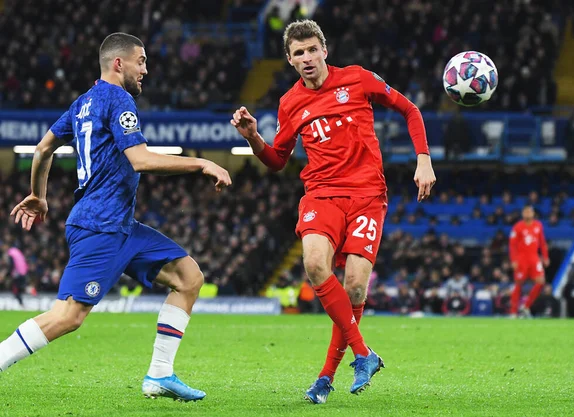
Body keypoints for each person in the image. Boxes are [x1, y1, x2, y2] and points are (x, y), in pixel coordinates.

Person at [0, 33, 232, 402]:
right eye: (140, 61)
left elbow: (44, 147)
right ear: (118, 63)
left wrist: (39, 196)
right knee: (68, 316)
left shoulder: (81, 104)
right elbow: (139, 160)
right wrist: (201, 162)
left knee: (188, 277)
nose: (145, 70)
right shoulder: (118, 98)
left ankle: (160, 375)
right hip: (99, 225)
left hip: (120, 226)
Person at [230, 20, 436, 403]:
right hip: (322, 195)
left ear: (325, 50)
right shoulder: (290, 103)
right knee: (314, 264)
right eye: (298, 53)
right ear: (290, 61)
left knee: (355, 285)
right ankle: (363, 354)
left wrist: (423, 160)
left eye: (312, 50)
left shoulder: (357, 79)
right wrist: (253, 138)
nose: (306, 58)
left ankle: (326, 377)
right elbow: (277, 160)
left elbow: (410, 110)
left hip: (367, 195)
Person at [509, 205, 549, 318]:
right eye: (525, 212)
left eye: (529, 212)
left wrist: (545, 256)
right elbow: (512, 245)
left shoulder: (538, 225)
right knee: (518, 284)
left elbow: (542, 242)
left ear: (533, 214)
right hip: (522, 259)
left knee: (541, 282)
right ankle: (513, 312)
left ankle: (526, 307)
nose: (527, 214)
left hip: (534, 258)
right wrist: (514, 259)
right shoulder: (517, 227)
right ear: (522, 214)